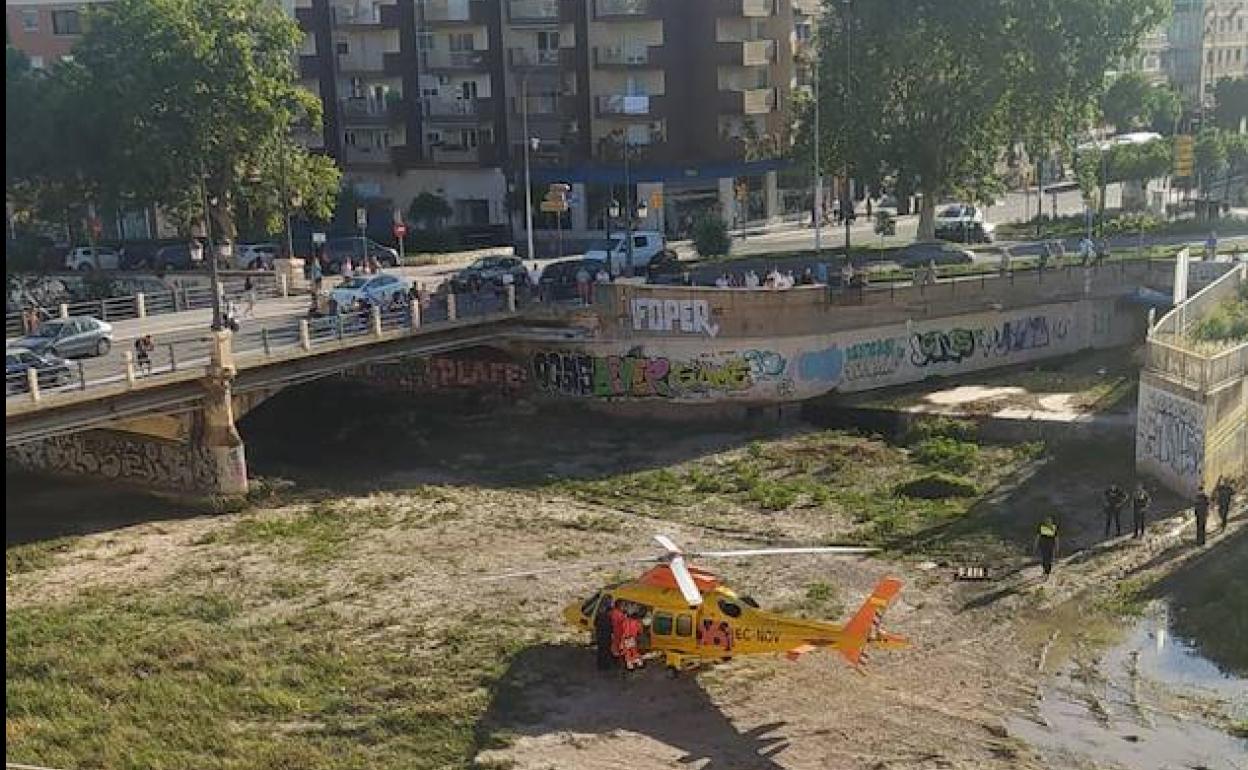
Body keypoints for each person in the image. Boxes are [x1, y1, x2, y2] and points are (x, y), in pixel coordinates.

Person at [594, 597, 616, 671]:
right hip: (606, 637)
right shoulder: (608, 619)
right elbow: (611, 628)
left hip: (600, 636)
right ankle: (605, 666)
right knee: (606, 651)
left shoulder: (599, 616)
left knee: (601, 651)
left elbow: (595, 624)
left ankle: (600, 665)